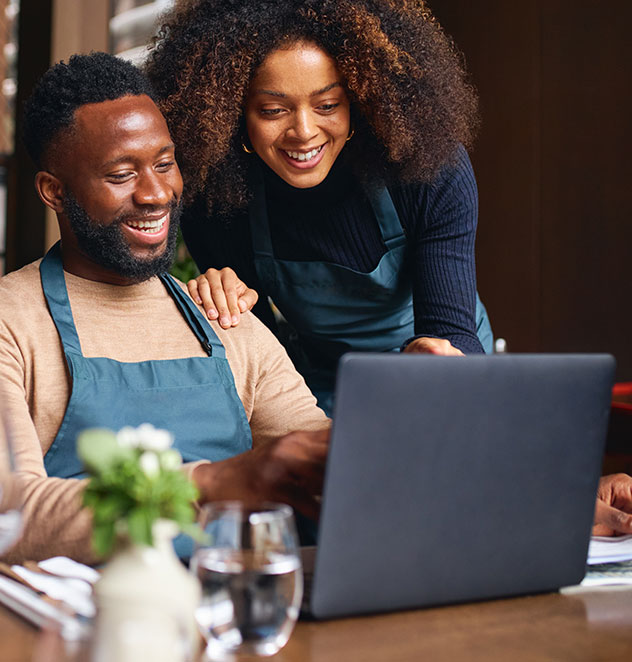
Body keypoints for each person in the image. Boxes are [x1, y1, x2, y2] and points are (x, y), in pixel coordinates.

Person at [0, 53, 331, 563]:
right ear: (54, 192)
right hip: (68, 628)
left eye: (165, 164)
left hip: (233, 613)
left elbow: (316, 458)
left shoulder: (224, 314)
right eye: (122, 174)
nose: (156, 194)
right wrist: (212, 483)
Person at [145, 0, 493, 416]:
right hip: (323, 383)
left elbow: (453, 335)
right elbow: (263, 361)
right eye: (273, 110)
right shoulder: (219, 201)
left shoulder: (428, 170)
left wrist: (431, 357)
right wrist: (222, 304)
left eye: (327, 105)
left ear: (360, 102)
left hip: (441, 372)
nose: (304, 132)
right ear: (233, 112)